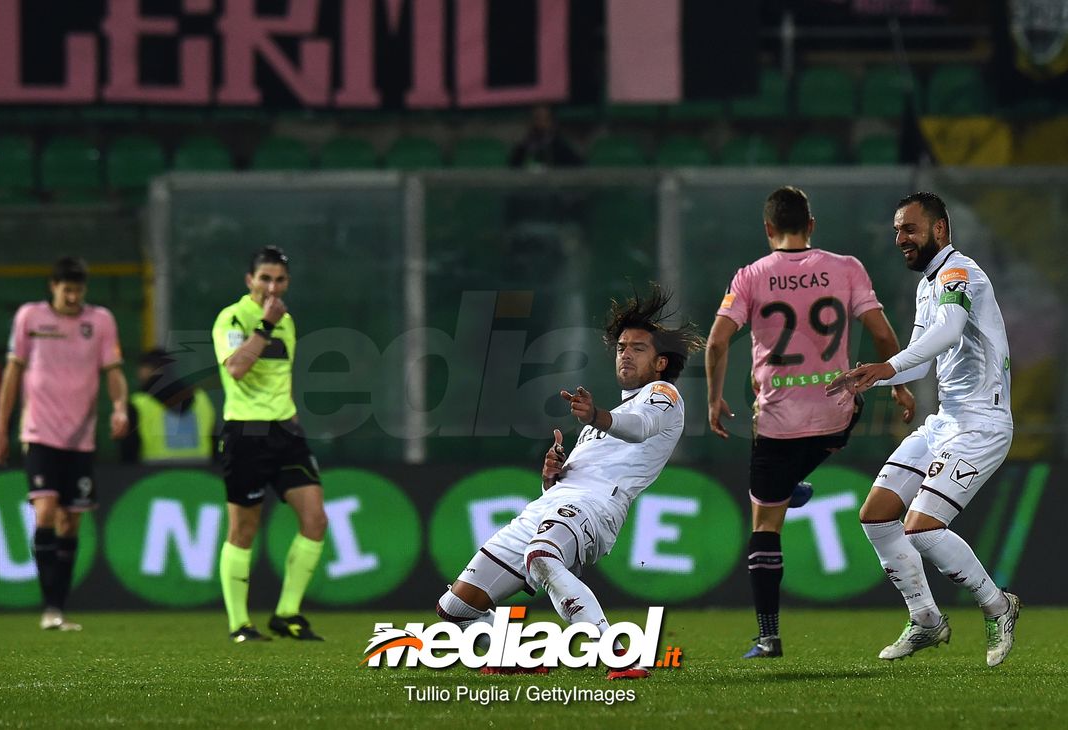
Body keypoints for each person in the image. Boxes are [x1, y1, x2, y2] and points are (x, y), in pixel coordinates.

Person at [435, 285, 703, 679]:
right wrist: (551, 476)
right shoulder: (610, 416)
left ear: (661, 362)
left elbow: (640, 427)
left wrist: (596, 415)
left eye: (638, 348)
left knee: (542, 556)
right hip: (555, 504)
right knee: (454, 611)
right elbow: (578, 473)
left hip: (597, 506)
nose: (625, 353)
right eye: (621, 347)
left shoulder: (663, 395)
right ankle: (516, 657)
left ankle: (618, 656)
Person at [706, 186, 914, 659]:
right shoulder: (847, 267)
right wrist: (898, 383)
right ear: (812, 225)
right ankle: (796, 478)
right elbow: (881, 334)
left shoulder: (751, 276)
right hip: (838, 414)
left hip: (778, 424)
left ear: (767, 229)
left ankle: (768, 635)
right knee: (850, 401)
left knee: (765, 524)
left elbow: (718, 342)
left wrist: (714, 400)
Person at [827, 192, 1020, 667]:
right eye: (896, 230)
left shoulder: (960, 273)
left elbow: (951, 330)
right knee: (876, 516)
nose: (899, 239)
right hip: (946, 422)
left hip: (982, 424)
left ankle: (999, 606)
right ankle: (927, 621)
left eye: (908, 229)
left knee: (923, 529)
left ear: (939, 230)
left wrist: (886, 366)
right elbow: (923, 355)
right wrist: (877, 376)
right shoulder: (927, 285)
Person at [0, 256, 129, 631]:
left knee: (71, 523)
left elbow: (113, 371)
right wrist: (0, 429)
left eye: (78, 290)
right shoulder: (29, 319)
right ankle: (49, 606)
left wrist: (119, 407)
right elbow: (13, 373)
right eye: (67, 289)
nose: (72, 297)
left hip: (80, 438)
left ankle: (59, 608)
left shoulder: (100, 321)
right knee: (46, 510)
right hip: (39, 433)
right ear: (53, 286)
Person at [212, 246, 328, 643]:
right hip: (245, 432)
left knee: (315, 520)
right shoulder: (232, 318)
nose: (271, 287)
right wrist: (263, 326)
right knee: (243, 529)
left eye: (279, 280)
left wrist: (292, 415)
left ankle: (287, 613)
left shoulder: (288, 322)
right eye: (264, 278)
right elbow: (237, 369)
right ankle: (240, 623)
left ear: (287, 282)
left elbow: (283, 376)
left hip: (285, 431)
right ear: (249, 281)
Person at [120, 348, 216, 464]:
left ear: (149, 369)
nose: (138, 373)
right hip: (202, 471)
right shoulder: (201, 398)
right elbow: (215, 440)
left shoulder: (139, 403)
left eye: (142, 367)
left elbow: (129, 449)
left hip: (153, 474)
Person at [509, 105, 584, 169]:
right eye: (537, 119)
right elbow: (511, 170)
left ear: (552, 123)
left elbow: (580, 167)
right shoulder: (522, 149)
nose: (541, 124)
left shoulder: (561, 148)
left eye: (545, 120)